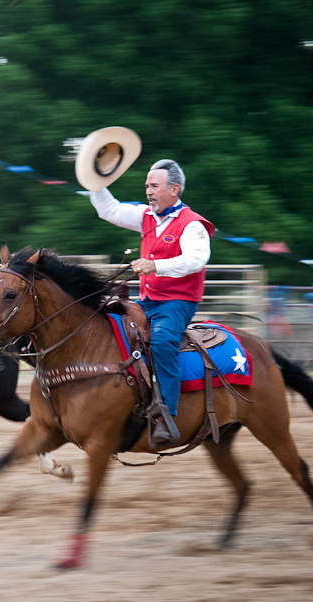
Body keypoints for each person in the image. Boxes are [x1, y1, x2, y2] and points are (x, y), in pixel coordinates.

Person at [89, 159, 214, 445]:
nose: (148, 191)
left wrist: (156, 267)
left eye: (154, 186)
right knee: (107, 325)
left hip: (178, 302)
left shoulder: (192, 224)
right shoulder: (145, 215)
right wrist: (96, 183)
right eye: (147, 185)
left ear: (174, 189)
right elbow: (109, 209)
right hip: (148, 300)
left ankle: (165, 415)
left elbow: (196, 260)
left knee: (162, 342)